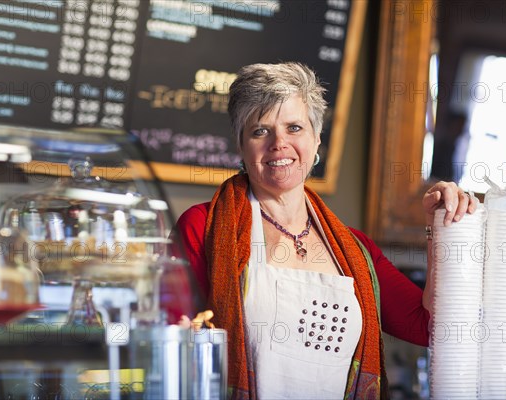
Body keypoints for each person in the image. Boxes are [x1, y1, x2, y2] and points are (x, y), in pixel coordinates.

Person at [173, 62, 477, 399]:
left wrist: (441, 229)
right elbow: (173, 337)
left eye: (294, 127)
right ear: (241, 146)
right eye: (260, 130)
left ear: (317, 139)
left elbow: (428, 326)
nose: (279, 143)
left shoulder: (354, 249)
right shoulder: (204, 228)